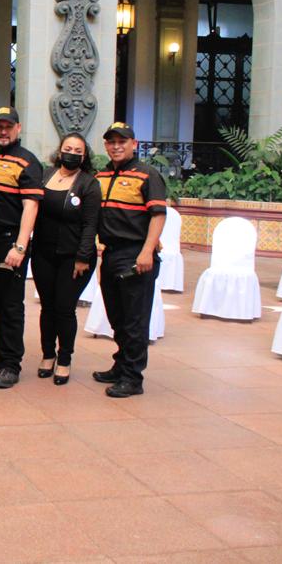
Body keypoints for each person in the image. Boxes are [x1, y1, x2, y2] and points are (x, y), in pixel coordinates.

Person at [93, 122, 166, 398]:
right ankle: (121, 364)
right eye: (111, 142)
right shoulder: (100, 176)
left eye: (122, 142)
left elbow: (158, 215)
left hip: (136, 254)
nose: (116, 146)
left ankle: (133, 378)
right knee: (117, 316)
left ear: (134, 144)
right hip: (111, 254)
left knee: (135, 320)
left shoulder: (148, 175)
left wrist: (147, 251)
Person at [0, 106, 43, 389]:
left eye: (9, 127)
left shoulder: (27, 161)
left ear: (18, 128)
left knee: (11, 305)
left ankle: (11, 364)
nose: (4, 131)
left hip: (9, 243)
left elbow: (31, 206)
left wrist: (20, 246)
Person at [31, 132, 101, 386]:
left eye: (78, 151)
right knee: (47, 307)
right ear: (60, 150)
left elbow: (91, 224)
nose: (72, 154)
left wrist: (83, 257)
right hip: (43, 254)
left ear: (84, 156)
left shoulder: (89, 184)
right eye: (68, 149)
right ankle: (48, 354)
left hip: (74, 258)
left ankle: (64, 359)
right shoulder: (45, 175)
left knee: (64, 308)